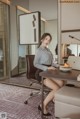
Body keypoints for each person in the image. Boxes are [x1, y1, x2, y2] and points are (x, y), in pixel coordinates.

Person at [34, 33, 64, 116]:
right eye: (46, 39)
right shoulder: (39, 50)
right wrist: (47, 68)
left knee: (61, 82)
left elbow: (52, 63)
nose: (48, 41)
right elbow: (35, 64)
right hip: (41, 73)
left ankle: (54, 98)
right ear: (42, 39)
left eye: (49, 40)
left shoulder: (48, 50)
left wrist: (59, 66)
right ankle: (42, 105)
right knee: (57, 88)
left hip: (49, 72)